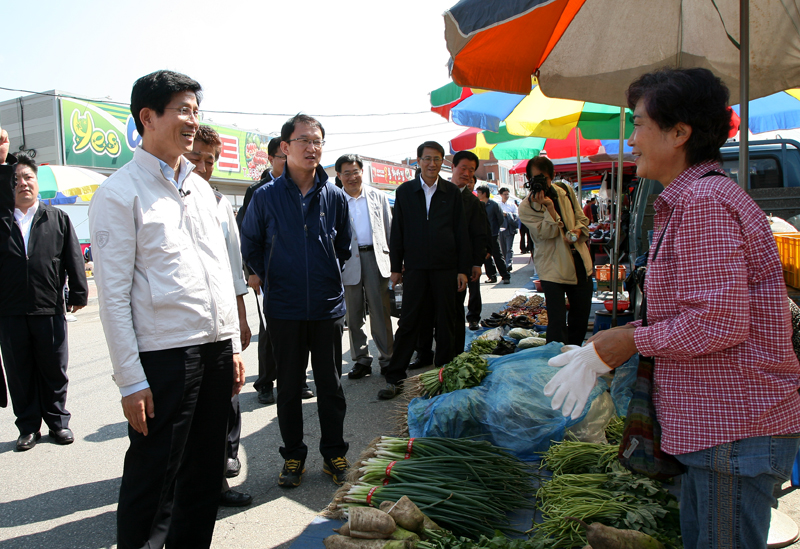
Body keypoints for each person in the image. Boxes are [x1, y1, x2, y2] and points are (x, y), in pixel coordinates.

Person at [555, 67, 800, 549]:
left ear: (679, 133)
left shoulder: (706, 202)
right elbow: (701, 309)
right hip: (718, 427)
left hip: (732, 427)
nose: (631, 139)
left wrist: (629, 339)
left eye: (639, 123)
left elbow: (719, 321)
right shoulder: (691, 199)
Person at [88, 70, 245, 549]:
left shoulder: (200, 189)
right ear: (147, 117)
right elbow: (112, 297)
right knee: (154, 481)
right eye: (182, 109)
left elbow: (219, 269)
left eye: (195, 111)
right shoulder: (119, 193)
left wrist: (233, 344)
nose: (191, 120)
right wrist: (131, 380)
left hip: (215, 352)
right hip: (165, 359)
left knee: (203, 478)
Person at [240, 114, 351, 488]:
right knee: (288, 388)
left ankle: (334, 452)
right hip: (284, 308)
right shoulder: (265, 196)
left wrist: (323, 275)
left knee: (331, 385)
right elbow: (250, 243)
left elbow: (343, 246)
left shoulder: (334, 196)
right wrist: (274, 278)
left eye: (317, 140)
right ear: (285, 147)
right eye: (303, 140)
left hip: (326, 308)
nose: (312, 147)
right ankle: (293, 456)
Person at [0, 133, 88, 452]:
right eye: (16, 179)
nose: (23, 183)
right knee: (19, 371)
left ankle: (57, 423)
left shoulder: (57, 218)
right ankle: (28, 427)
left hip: (48, 306)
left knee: (54, 368)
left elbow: (73, 258)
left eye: (28, 177)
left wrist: (78, 292)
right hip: (9, 311)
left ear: (37, 182)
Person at [184, 125, 252, 508]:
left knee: (225, 399)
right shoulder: (163, 197)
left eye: (211, 160)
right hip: (183, 329)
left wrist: (240, 319)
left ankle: (219, 480)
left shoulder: (219, 202)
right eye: (197, 157)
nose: (204, 166)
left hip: (222, 320)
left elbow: (233, 268)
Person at [379, 141, 470, 400]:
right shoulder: (405, 191)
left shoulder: (451, 192)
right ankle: (395, 377)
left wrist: (462, 269)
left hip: (446, 268)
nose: (432, 164)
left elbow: (461, 233)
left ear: (443, 163)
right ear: (418, 161)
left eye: (437, 159)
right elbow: (398, 232)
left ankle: (443, 375)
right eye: (427, 158)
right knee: (409, 322)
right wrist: (396, 268)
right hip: (416, 268)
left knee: (446, 322)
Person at [236, 138, 313, 405]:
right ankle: (265, 383)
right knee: (271, 330)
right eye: (282, 158)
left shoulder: (302, 187)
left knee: (301, 329)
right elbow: (247, 236)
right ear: (271, 159)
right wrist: (254, 272)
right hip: (268, 275)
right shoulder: (257, 191)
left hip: (299, 276)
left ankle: (298, 379)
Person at [413, 151, 487, 365]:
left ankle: (453, 354)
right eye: (463, 168)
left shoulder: (473, 203)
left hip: (457, 267)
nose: (466, 173)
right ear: (452, 167)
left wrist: (475, 263)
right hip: (431, 263)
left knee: (453, 312)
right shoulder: (437, 192)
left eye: (471, 171)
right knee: (425, 310)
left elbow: (479, 235)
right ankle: (423, 353)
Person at [519, 157, 593, 346]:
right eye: (535, 178)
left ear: (551, 177)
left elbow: (582, 219)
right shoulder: (526, 207)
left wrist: (576, 231)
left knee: (580, 316)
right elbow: (547, 232)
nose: (539, 183)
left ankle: (574, 355)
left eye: (543, 178)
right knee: (557, 320)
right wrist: (548, 207)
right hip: (551, 266)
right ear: (528, 179)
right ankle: (554, 361)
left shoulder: (566, 191)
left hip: (578, 261)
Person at [336, 154, 394, 380]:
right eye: (346, 173)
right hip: (347, 260)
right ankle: (361, 360)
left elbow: (388, 229)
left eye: (355, 172)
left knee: (381, 312)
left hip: (375, 258)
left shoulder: (378, 196)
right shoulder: (335, 199)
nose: (352, 177)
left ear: (362, 172)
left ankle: (388, 357)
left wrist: (396, 264)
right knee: (353, 315)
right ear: (339, 176)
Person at [476, 186, 510, 284]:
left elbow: (500, 218)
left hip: (493, 234)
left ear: (484, 193)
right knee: (486, 256)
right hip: (482, 235)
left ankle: (505, 276)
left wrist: (494, 229)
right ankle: (492, 276)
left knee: (497, 255)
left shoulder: (494, 204)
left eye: (479, 192)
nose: (477, 195)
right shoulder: (478, 204)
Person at [497, 187, 518, 272]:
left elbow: (517, 215)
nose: (506, 196)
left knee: (509, 247)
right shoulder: (498, 204)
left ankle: (508, 263)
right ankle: (506, 262)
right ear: (501, 195)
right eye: (505, 194)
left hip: (509, 228)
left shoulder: (512, 204)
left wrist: (508, 214)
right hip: (500, 228)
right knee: (503, 248)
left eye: (507, 194)